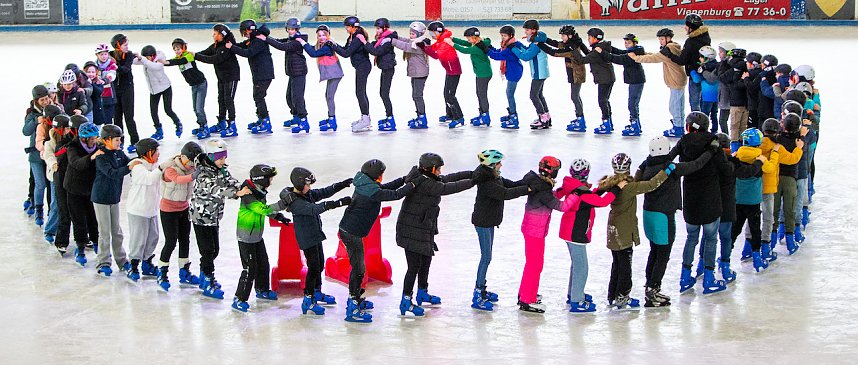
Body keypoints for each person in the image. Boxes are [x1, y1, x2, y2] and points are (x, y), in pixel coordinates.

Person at [338, 159, 421, 322]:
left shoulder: (366, 184)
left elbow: (385, 188)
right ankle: (352, 305)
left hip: (351, 230)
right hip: (351, 232)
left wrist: (405, 179)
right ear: (377, 175)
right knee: (359, 269)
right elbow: (395, 194)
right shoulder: (371, 190)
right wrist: (412, 185)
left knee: (359, 268)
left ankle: (355, 298)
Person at [636, 136, 714, 307]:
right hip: (663, 216)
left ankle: (650, 286)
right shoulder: (671, 168)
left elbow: (661, 159)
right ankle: (653, 291)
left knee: (654, 252)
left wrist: (678, 147)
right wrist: (710, 151)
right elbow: (696, 165)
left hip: (648, 214)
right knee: (663, 255)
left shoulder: (646, 165)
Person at [397, 153, 474, 316]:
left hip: (423, 227)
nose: (440, 172)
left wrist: (470, 174)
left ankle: (422, 292)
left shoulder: (427, 178)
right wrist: (473, 181)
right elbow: (446, 188)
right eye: (438, 169)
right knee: (413, 267)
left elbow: (447, 179)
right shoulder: (424, 183)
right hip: (411, 229)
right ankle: (405, 301)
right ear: (429, 169)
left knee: (425, 260)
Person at [671, 112, 732, 295]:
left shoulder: (683, 142)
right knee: (711, 239)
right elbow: (726, 170)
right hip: (711, 199)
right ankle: (708, 277)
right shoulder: (713, 144)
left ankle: (685, 275)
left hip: (690, 199)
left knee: (691, 238)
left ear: (689, 127)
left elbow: (670, 157)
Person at [601, 153, 669, 309]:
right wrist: (666, 171)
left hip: (613, 230)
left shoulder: (615, 184)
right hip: (623, 232)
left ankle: (613, 294)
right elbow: (651, 184)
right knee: (625, 266)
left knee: (617, 264)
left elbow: (636, 181)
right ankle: (623, 296)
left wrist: (642, 167)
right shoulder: (629, 187)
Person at [280, 168, 352, 315]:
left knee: (319, 265)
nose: (310, 188)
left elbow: (324, 192)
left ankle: (316, 291)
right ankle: (308, 299)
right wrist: (338, 203)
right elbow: (314, 209)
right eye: (308, 185)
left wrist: (342, 184)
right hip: (307, 238)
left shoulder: (306, 194)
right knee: (313, 267)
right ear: (300, 184)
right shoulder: (296, 202)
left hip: (315, 234)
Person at [190, 139, 251, 299]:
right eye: (220, 158)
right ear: (210, 156)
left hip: (214, 216)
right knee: (208, 251)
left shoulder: (220, 169)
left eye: (224, 157)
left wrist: (241, 187)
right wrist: (235, 193)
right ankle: (208, 280)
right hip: (201, 217)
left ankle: (205, 275)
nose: (223, 161)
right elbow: (215, 189)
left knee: (215, 250)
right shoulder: (203, 173)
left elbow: (229, 181)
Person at [470, 150, 529, 311]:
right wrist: (528, 190)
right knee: (486, 257)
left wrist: (529, 182)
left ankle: (481, 288)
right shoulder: (487, 181)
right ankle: (478, 292)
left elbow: (511, 185)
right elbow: (505, 193)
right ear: (491, 165)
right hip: (483, 222)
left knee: (487, 256)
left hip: (489, 221)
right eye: (498, 163)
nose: (501, 165)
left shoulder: (494, 176)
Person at [518, 156, 577, 313]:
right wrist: (576, 194)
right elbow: (561, 206)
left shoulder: (540, 184)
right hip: (534, 232)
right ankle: (527, 299)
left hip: (532, 229)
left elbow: (550, 198)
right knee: (535, 265)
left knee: (532, 263)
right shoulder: (542, 188)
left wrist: (563, 191)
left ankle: (525, 293)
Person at [556, 158, 615, 312]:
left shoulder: (573, 186)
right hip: (576, 233)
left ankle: (574, 293)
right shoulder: (581, 192)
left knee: (576, 265)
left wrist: (601, 189)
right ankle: (577, 300)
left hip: (570, 231)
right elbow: (601, 202)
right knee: (582, 267)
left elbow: (591, 197)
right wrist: (616, 190)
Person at [231, 165, 291, 312]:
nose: (271, 181)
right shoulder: (248, 194)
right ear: (262, 179)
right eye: (270, 178)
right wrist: (282, 204)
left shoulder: (259, 191)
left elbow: (264, 209)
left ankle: (262, 289)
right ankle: (239, 298)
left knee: (263, 263)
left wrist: (278, 216)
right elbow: (260, 209)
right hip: (246, 237)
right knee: (249, 268)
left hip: (256, 235)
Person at [157, 142, 204, 290]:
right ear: (183, 157)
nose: (192, 165)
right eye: (191, 162)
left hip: (184, 208)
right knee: (171, 241)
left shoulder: (191, 167)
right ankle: (162, 272)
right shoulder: (170, 168)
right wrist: (194, 175)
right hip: (168, 211)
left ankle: (184, 271)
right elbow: (178, 179)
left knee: (185, 240)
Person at [733, 127, 777, 272]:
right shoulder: (760, 158)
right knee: (755, 229)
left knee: (735, 229)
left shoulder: (737, 156)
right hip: (753, 201)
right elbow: (770, 169)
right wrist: (774, 154)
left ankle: (724, 258)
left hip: (738, 199)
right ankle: (757, 258)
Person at [92, 124, 133, 280]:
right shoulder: (101, 156)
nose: (119, 143)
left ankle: (122, 260)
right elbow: (112, 173)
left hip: (114, 197)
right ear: (107, 140)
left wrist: (137, 161)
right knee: (104, 232)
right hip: (101, 198)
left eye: (120, 140)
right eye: (116, 140)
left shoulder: (119, 153)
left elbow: (128, 162)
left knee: (116, 231)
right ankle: (103, 262)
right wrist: (130, 167)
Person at [628, 28, 686, 138]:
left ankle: (678, 127)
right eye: (660, 39)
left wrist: (636, 57)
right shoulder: (671, 47)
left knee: (675, 106)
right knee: (677, 104)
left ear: (668, 38)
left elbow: (654, 58)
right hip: (676, 80)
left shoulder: (669, 50)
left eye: (662, 39)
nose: (660, 41)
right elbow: (656, 55)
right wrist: (644, 53)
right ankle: (678, 125)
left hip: (676, 80)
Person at [65, 121, 104, 273]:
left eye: (96, 137)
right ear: (84, 139)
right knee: (79, 220)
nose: (95, 141)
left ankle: (96, 243)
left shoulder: (98, 147)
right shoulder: (72, 147)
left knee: (92, 218)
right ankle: (80, 248)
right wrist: (92, 157)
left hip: (90, 189)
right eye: (92, 138)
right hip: (74, 189)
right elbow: (77, 163)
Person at [260, 18, 311, 133]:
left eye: (293, 29)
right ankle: (296, 117)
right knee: (289, 97)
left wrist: (266, 39)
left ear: (297, 29)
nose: (290, 31)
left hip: (299, 73)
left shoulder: (298, 40)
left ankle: (304, 120)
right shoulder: (291, 39)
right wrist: (267, 39)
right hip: (292, 72)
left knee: (298, 97)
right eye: (289, 29)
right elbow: (281, 42)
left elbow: (283, 47)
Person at [126, 138, 163, 284]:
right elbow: (149, 179)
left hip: (151, 209)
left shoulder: (154, 165)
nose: (159, 154)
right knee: (138, 239)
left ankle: (147, 263)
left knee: (152, 237)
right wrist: (161, 169)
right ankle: (133, 266)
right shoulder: (138, 167)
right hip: (138, 210)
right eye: (156, 151)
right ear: (148, 152)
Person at [193, 24, 241, 138]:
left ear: (221, 35)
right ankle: (221, 122)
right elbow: (205, 52)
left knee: (228, 100)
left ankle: (232, 124)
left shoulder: (226, 47)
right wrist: (191, 55)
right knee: (221, 99)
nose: (213, 35)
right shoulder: (216, 45)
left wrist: (196, 56)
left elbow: (214, 59)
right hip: (221, 77)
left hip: (231, 77)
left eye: (215, 33)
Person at [229, 19, 275, 134]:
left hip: (264, 74)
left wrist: (232, 48)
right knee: (257, 96)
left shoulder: (258, 40)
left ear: (250, 30)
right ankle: (261, 118)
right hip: (258, 74)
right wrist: (231, 45)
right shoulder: (252, 39)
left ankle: (266, 121)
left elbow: (248, 53)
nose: (244, 36)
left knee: (259, 97)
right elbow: (242, 46)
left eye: (245, 33)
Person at [538, 25, 587, 131]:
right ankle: (580, 118)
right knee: (576, 96)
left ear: (570, 35)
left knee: (574, 96)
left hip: (576, 74)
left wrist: (540, 44)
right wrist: (545, 40)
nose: (562, 38)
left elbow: (554, 52)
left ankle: (580, 120)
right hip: (574, 72)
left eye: (563, 36)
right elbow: (557, 44)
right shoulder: (573, 42)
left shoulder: (571, 47)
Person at [418, 21, 465, 128]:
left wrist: (424, 47)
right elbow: (433, 48)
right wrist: (426, 46)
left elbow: (435, 55)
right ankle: (450, 114)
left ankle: (459, 117)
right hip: (450, 71)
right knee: (446, 93)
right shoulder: (442, 39)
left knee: (450, 96)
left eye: (432, 33)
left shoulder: (444, 42)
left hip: (454, 72)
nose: (432, 36)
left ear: (438, 32)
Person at [599, 33, 647, 136]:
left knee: (632, 103)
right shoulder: (633, 51)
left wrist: (602, 52)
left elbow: (618, 59)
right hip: (636, 80)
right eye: (625, 43)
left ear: (635, 43)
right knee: (633, 103)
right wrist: (609, 48)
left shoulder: (632, 54)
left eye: (628, 43)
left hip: (636, 81)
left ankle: (635, 126)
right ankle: (636, 125)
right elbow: (620, 52)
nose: (626, 45)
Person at [662, 14, 711, 112]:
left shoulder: (691, 42)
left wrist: (670, 54)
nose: (684, 27)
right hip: (705, 73)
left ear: (691, 27)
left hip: (694, 74)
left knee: (694, 102)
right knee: (703, 101)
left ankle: (697, 124)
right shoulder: (706, 37)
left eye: (686, 26)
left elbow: (682, 61)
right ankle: (704, 122)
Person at [569, 28, 615, 133]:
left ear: (595, 38)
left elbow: (583, 60)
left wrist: (573, 49)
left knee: (602, 101)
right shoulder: (600, 47)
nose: (588, 39)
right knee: (605, 100)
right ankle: (608, 122)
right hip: (607, 77)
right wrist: (581, 45)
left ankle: (606, 123)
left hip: (605, 78)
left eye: (589, 38)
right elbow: (589, 54)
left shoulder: (598, 50)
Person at [332, 16, 373, 132]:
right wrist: (335, 44)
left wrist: (334, 47)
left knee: (360, 92)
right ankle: (365, 118)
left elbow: (346, 54)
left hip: (363, 66)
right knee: (361, 92)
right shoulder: (352, 36)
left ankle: (365, 119)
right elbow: (345, 49)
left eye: (347, 26)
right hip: (360, 66)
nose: (345, 28)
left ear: (351, 27)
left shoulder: (358, 38)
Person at [162, 38, 209, 139]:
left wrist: (165, 62)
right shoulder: (177, 58)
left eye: (178, 48)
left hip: (201, 83)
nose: (177, 51)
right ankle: (201, 125)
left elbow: (180, 61)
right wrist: (161, 63)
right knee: (195, 109)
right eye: (175, 49)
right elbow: (174, 62)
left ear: (183, 47)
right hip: (193, 85)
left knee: (199, 108)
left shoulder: (188, 55)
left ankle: (205, 127)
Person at [301, 24, 345, 131]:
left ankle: (332, 121)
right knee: (328, 95)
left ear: (328, 35)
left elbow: (313, 53)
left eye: (324, 35)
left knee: (330, 96)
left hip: (335, 74)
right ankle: (330, 117)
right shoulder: (321, 45)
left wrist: (303, 43)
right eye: (319, 35)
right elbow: (313, 49)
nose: (322, 37)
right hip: (332, 74)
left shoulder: (328, 45)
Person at [43, 113, 76, 256]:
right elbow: (48, 155)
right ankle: (50, 230)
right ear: (59, 129)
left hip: (69, 178)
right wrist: (53, 163)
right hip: (55, 177)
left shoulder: (70, 139)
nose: (69, 130)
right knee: (57, 206)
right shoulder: (50, 142)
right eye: (66, 128)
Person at [135, 45, 182, 140]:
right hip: (154, 91)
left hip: (165, 88)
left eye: (147, 57)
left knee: (168, 109)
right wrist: (130, 56)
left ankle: (178, 123)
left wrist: (142, 59)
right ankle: (158, 130)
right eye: (145, 57)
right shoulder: (146, 60)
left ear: (153, 56)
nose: (146, 59)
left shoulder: (159, 60)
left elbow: (154, 67)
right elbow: (135, 62)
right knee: (153, 112)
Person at [512, 20, 552, 130]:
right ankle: (546, 117)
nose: (525, 32)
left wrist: (513, 48)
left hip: (539, 73)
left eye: (527, 30)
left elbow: (526, 57)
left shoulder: (536, 44)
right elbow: (527, 51)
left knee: (533, 95)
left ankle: (543, 118)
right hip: (541, 72)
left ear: (533, 30)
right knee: (539, 95)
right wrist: (519, 45)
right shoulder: (535, 42)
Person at [450, 27, 493, 127]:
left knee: (482, 95)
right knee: (479, 94)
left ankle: (486, 116)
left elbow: (464, 50)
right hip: (481, 73)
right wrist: (453, 39)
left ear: (474, 38)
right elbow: (465, 43)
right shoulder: (478, 43)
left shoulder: (476, 48)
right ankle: (482, 114)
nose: (468, 41)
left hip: (484, 74)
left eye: (469, 39)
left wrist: (452, 44)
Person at [391, 22, 431, 129]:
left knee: (418, 96)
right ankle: (420, 115)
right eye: (410, 33)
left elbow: (405, 46)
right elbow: (407, 41)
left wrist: (392, 41)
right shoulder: (416, 41)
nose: (410, 35)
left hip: (420, 74)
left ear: (419, 34)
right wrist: (396, 37)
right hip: (416, 73)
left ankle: (422, 119)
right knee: (415, 96)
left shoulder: (420, 45)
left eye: (413, 33)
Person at [23, 85, 52, 228]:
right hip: (35, 155)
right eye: (42, 100)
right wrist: (36, 121)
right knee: (39, 184)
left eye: (47, 98)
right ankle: (38, 210)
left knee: (50, 184)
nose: (46, 102)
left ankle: (51, 212)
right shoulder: (32, 114)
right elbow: (25, 131)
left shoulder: (55, 109)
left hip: (51, 155)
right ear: (36, 100)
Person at [364, 18, 399, 131]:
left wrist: (365, 43)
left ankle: (390, 119)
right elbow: (375, 45)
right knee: (382, 93)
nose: (377, 30)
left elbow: (377, 51)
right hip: (385, 68)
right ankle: (389, 117)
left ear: (384, 28)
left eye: (378, 28)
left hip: (388, 68)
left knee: (384, 94)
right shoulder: (383, 38)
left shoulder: (388, 39)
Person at [487, 25, 525, 129]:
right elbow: (499, 52)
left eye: (504, 36)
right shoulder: (509, 44)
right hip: (513, 71)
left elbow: (497, 56)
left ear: (511, 35)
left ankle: (514, 117)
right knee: (509, 94)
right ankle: (512, 113)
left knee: (510, 94)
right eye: (502, 36)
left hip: (514, 73)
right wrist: (490, 47)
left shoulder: (511, 48)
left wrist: (486, 50)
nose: (502, 38)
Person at [110, 34, 140, 153]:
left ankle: (135, 141)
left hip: (127, 88)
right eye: (125, 45)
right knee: (117, 118)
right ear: (117, 46)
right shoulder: (110, 55)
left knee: (129, 117)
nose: (127, 47)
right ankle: (119, 142)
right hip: (115, 89)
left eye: (127, 45)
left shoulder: (128, 55)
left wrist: (114, 64)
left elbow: (125, 69)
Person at [692, 46, 720, 133]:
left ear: (706, 58)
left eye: (701, 57)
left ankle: (703, 130)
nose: (699, 59)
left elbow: (697, 79)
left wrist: (693, 72)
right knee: (714, 114)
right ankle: (714, 130)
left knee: (705, 114)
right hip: (716, 96)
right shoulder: (717, 67)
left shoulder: (704, 68)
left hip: (706, 97)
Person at [94, 44, 118, 125]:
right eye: (101, 54)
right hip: (97, 96)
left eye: (105, 54)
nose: (104, 56)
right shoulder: (94, 66)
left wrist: (105, 80)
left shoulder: (112, 65)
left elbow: (112, 75)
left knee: (108, 120)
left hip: (108, 97)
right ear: (97, 55)